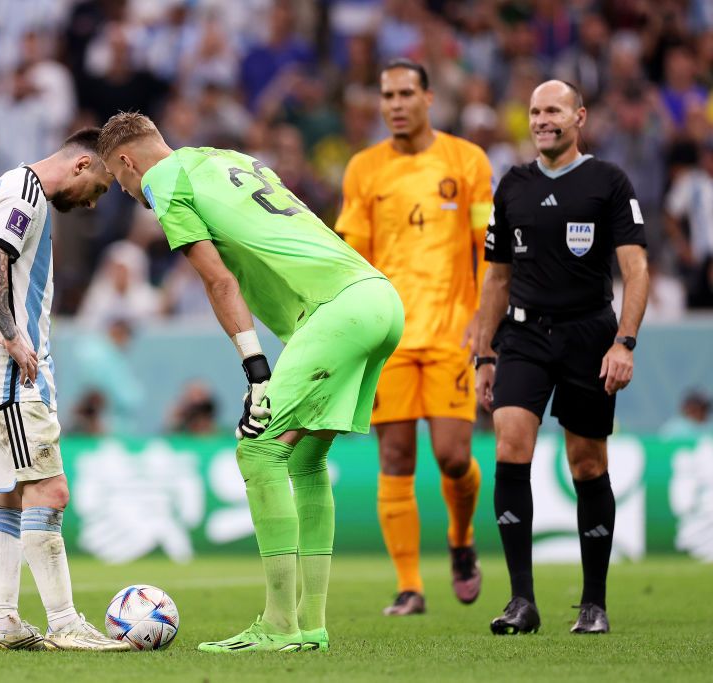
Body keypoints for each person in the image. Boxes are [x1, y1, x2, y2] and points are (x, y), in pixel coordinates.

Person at [98, 112, 404, 653]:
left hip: (337, 311)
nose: (127, 193)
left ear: (126, 161)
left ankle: (278, 624)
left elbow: (218, 280)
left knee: (257, 450)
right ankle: (310, 626)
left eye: (119, 181)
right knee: (305, 460)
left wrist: (256, 369)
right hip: (376, 295)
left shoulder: (162, 181)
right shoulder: (229, 160)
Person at [475, 80, 649, 635]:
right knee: (509, 445)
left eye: (552, 109)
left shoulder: (608, 182)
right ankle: (521, 601)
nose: (541, 119)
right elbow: (497, 277)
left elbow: (637, 270)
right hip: (523, 336)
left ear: (579, 116)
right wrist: (483, 353)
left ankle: (593, 603)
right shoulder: (514, 185)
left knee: (588, 464)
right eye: (533, 111)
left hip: (589, 334)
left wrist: (624, 341)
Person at [0, 128, 128, 652]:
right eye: (100, 185)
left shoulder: (3, 189)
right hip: (9, 375)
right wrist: (12, 336)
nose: (96, 199)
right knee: (49, 492)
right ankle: (65, 623)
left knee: (6, 499)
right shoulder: (24, 194)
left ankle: (5, 624)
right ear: (81, 165)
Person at [335, 59, 493, 616]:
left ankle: (460, 538)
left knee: (453, 457)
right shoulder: (364, 169)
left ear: (429, 98)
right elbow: (351, 255)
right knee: (396, 456)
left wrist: (483, 317)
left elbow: (488, 251)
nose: (395, 103)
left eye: (406, 93)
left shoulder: (466, 160)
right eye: (386, 95)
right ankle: (409, 586)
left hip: (453, 331)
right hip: (391, 337)